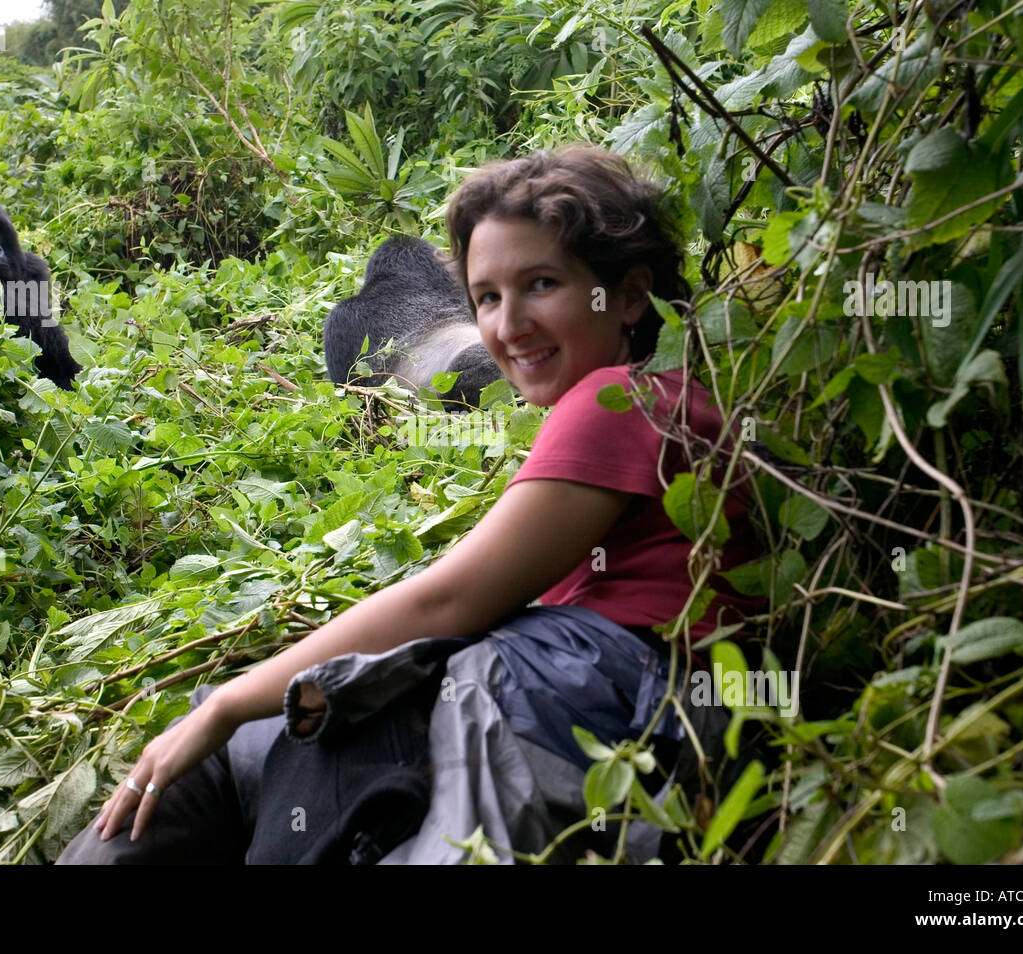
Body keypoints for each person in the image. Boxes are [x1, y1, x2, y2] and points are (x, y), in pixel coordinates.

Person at [58, 144, 762, 865]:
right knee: (252, 746)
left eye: (541, 283)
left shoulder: (616, 399)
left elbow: (447, 603)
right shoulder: (671, 396)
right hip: (641, 715)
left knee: (246, 734)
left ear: (631, 294)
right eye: (486, 297)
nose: (508, 324)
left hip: (591, 703)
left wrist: (230, 703)